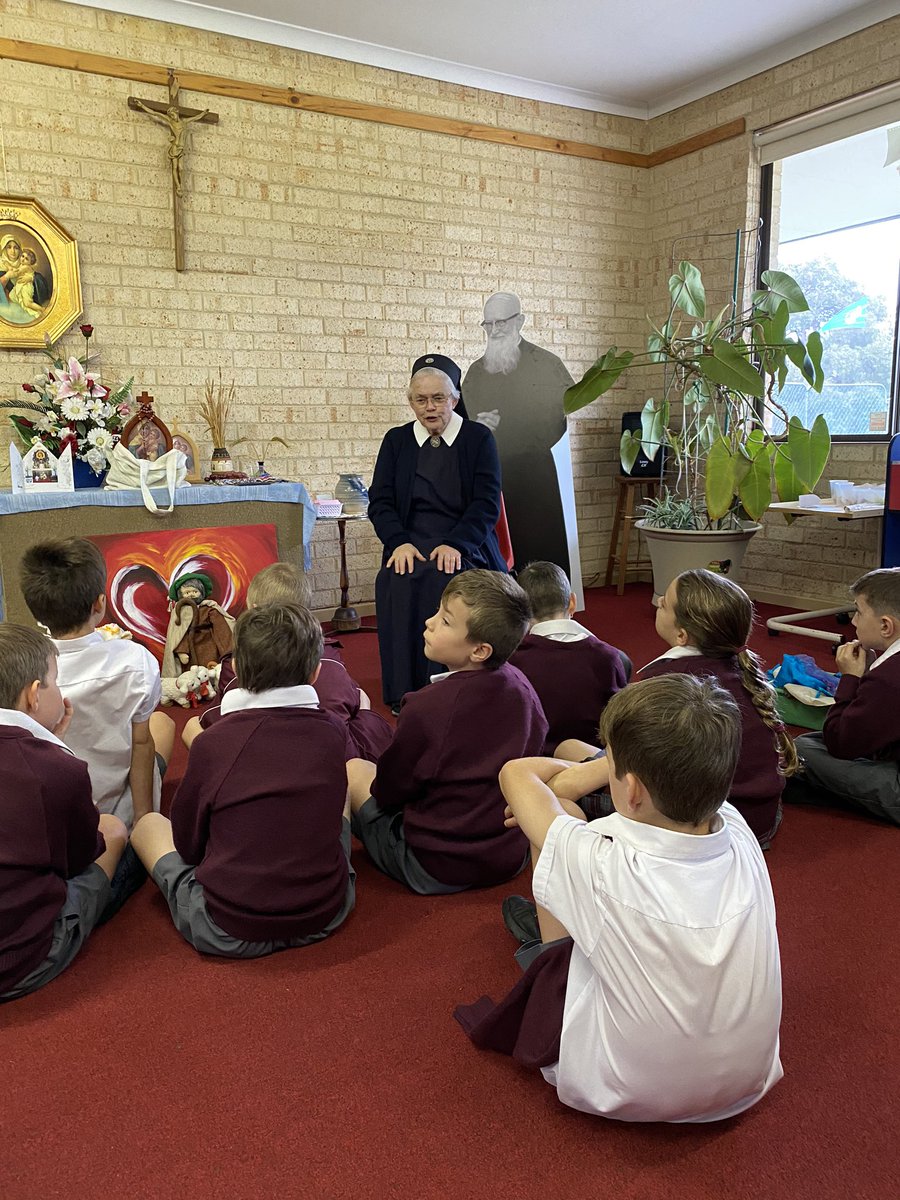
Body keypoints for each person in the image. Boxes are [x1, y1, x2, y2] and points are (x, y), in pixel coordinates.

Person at [455, 674, 784, 1123]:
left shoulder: (602, 865)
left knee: (562, 821)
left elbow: (515, 773)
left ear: (631, 790)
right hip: (749, 1082)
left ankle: (547, 949)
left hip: (625, 1090)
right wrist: (600, 768)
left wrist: (567, 789)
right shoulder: (738, 828)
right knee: (562, 820)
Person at [130, 604, 356, 958]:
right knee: (341, 789)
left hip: (226, 929)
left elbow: (188, 845)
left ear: (235, 668)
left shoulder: (213, 743)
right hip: (325, 912)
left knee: (146, 825)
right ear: (315, 673)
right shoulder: (333, 730)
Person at [554, 569, 796, 848]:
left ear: (681, 635)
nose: (657, 603)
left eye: (664, 603)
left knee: (555, 796)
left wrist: (550, 788)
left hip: (704, 827)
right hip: (761, 818)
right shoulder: (746, 670)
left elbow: (619, 763)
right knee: (569, 748)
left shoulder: (667, 687)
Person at [347, 570, 547, 893]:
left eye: (446, 621)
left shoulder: (426, 707)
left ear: (480, 650)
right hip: (508, 856)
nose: (429, 622)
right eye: (438, 611)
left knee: (356, 770)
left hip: (435, 865)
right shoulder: (523, 688)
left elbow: (389, 789)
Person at [0, 624, 131, 1002]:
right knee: (114, 830)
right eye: (56, 682)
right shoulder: (56, 769)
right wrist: (55, 748)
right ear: (34, 695)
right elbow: (78, 858)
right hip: (21, 961)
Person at [370, 363, 507, 711]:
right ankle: (405, 692)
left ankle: (454, 687)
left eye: (438, 398)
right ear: (411, 403)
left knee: (449, 579)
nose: (430, 407)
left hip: (466, 541)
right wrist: (398, 541)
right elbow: (381, 501)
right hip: (409, 542)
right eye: (421, 400)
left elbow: (487, 503)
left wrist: (457, 543)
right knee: (397, 578)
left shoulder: (478, 438)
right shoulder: (396, 441)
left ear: (455, 400)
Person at [19, 537, 174, 829]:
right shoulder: (136, 660)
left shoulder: (24, 669)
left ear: (36, 612)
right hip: (118, 806)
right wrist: (142, 819)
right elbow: (141, 743)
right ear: (100, 604)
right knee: (161, 724)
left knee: (158, 724)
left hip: (56, 806)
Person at [185, 561, 391, 761]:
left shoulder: (238, 667)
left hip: (255, 756)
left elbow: (215, 719)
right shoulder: (331, 663)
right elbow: (350, 704)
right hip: (331, 758)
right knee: (365, 710)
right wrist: (365, 712)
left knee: (192, 728)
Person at [462, 291, 578, 575]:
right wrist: (478, 425)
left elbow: (558, 421)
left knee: (541, 559)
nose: (494, 330)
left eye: (501, 322)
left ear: (520, 321)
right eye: (488, 324)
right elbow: (462, 423)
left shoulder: (546, 365)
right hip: (494, 481)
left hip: (537, 481)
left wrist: (517, 427)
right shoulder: (476, 372)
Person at [787, 568, 900, 824]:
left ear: (885, 625)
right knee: (816, 740)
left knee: (800, 749)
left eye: (859, 612)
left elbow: (841, 743)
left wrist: (851, 678)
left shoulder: (889, 678)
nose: (854, 622)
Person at [510, 561, 628, 753]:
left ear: (521, 611)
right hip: (595, 762)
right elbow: (620, 718)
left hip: (535, 764)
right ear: (572, 602)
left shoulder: (513, 662)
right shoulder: (609, 657)